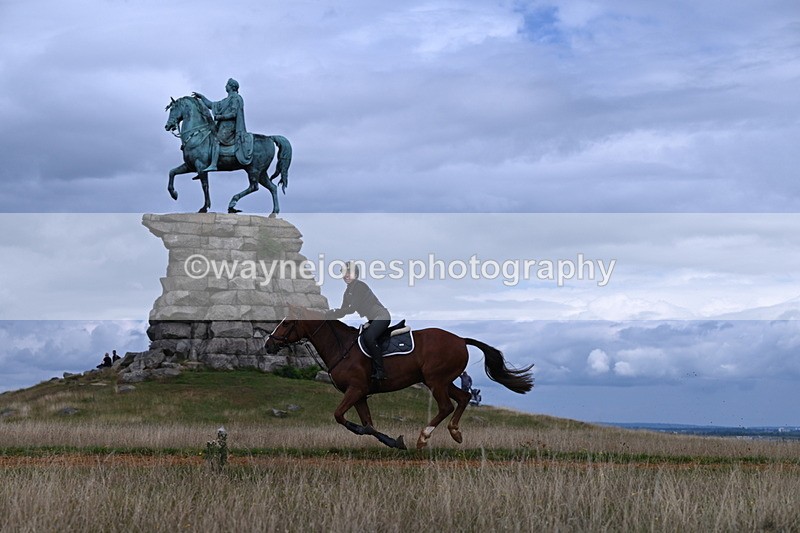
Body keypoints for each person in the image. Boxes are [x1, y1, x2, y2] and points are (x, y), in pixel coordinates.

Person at [326, 261, 391, 380]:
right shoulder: (347, 293)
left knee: (369, 338)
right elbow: (343, 311)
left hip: (381, 316)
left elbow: (352, 309)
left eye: (349, 273)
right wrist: (328, 317)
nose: (346, 275)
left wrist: (334, 312)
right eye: (344, 273)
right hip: (372, 320)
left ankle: (381, 372)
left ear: (355, 274)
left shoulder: (359, 286)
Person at [192, 78, 248, 171]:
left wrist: (220, 117)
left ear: (231, 87)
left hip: (230, 127)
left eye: (227, 85)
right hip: (222, 126)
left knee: (216, 140)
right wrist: (202, 97)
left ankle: (214, 164)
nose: (225, 86)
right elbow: (211, 105)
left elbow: (234, 114)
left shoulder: (236, 98)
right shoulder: (226, 100)